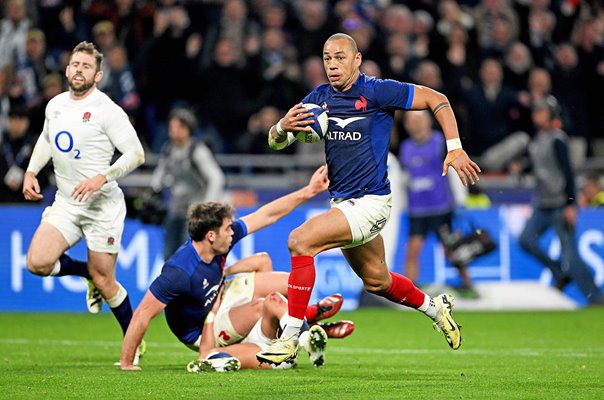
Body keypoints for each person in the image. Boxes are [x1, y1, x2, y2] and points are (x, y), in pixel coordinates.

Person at [258, 33, 481, 366]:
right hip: (344, 204)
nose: (332, 65)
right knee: (377, 281)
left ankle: (289, 338)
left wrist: (455, 147)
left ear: (357, 59)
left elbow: (438, 99)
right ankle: (436, 309)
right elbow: (277, 142)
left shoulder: (378, 91)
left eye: (340, 57)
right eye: (327, 58)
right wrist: (280, 127)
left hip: (372, 202)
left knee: (299, 241)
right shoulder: (319, 98)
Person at [119, 165, 329, 370]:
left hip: (222, 295)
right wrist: (127, 362)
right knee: (260, 307)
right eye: (227, 228)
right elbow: (142, 313)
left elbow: (267, 215)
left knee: (288, 285)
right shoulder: (179, 271)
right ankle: (295, 332)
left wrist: (308, 191)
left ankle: (300, 330)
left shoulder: (221, 241)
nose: (233, 232)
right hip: (202, 329)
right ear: (211, 235)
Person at [22, 41, 146, 355]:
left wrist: (102, 177)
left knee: (107, 281)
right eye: (75, 64)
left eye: (86, 66)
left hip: (101, 205)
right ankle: (85, 273)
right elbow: (47, 139)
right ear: (67, 69)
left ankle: (133, 338)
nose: (79, 70)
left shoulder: (108, 111)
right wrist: (31, 171)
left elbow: (136, 153)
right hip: (67, 201)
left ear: (98, 75)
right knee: (36, 262)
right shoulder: (56, 105)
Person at [187, 252, 353, 372]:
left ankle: (307, 329)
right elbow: (205, 352)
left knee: (273, 298)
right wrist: (212, 313)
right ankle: (310, 322)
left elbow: (262, 260)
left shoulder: (231, 288)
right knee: (214, 356)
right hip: (257, 345)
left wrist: (224, 272)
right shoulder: (204, 306)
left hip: (269, 327)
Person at [518, 96, 604, 305]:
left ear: (551, 115)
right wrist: (521, 167)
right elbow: (539, 166)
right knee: (526, 240)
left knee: (571, 258)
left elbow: (568, 173)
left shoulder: (557, 139)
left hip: (559, 204)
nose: (536, 115)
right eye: (535, 111)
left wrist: (570, 204)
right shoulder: (536, 140)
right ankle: (558, 272)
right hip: (542, 204)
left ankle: (595, 298)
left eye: (541, 111)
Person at [399, 110, 476, 297]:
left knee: (451, 249)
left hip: (440, 207)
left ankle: (468, 284)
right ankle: (411, 290)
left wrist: (460, 201)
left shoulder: (440, 143)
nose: (414, 124)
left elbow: (453, 171)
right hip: (417, 209)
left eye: (418, 120)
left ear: (427, 122)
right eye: (411, 121)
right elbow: (404, 178)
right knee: (412, 249)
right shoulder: (405, 147)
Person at [150, 107, 225, 260]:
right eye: (171, 127)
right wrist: (155, 189)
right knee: (169, 254)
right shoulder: (169, 149)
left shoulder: (197, 151)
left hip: (194, 213)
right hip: (175, 209)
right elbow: (161, 172)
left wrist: (205, 207)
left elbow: (217, 178)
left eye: (179, 127)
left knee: (190, 254)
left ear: (188, 128)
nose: (174, 131)